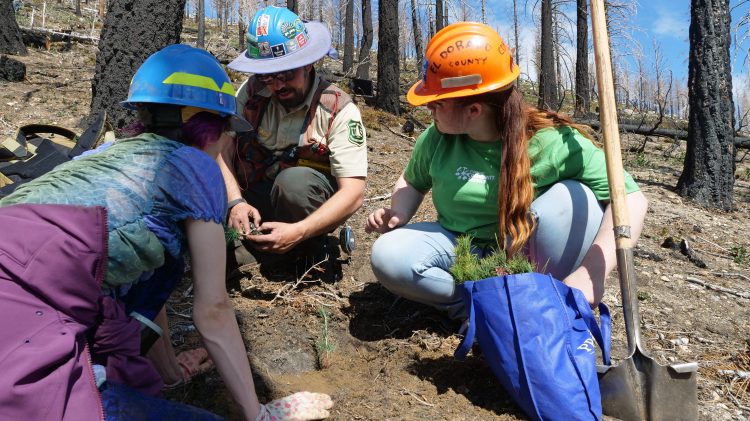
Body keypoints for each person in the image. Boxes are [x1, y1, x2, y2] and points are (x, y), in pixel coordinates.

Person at [0, 44, 332, 421]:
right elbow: (214, 310)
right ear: (211, 127)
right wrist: (259, 413)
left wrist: (172, 372)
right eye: (228, 133)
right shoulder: (193, 165)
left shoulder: (104, 156)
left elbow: (144, 283)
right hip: (20, 347)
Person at [366, 22, 648, 320]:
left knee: (571, 198)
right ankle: (485, 309)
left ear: (474, 110)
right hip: (460, 250)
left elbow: (631, 198)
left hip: (528, 257)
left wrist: (592, 272)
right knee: (388, 256)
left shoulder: (553, 142)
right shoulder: (438, 137)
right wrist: (398, 211)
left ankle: (541, 301)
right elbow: (412, 181)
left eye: (436, 104)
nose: (429, 110)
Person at [220, 6, 367, 272]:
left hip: (304, 205)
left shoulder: (338, 108)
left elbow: (353, 193)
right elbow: (222, 149)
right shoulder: (252, 92)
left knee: (293, 183)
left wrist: (298, 232)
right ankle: (255, 245)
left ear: (308, 63)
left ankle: (303, 248)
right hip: (253, 196)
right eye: (268, 75)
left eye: (287, 74)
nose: (277, 85)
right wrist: (235, 202)